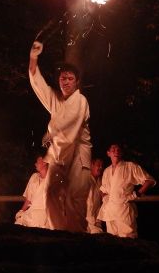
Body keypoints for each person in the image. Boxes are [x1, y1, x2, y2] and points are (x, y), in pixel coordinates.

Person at [29, 40, 92, 232]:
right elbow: (39, 85)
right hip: (59, 156)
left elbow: (69, 124)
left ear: (77, 82)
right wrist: (33, 57)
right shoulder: (57, 101)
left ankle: (78, 237)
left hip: (78, 157)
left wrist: (50, 132)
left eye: (70, 78)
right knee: (50, 194)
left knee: (74, 198)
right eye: (62, 78)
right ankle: (58, 233)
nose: (65, 81)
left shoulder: (80, 100)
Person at [98, 143, 156, 238]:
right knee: (112, 242)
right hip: (110, 213)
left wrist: (136, 194)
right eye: (113, 149)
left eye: (118, 150)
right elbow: (103, 189)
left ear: (121, 153)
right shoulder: (106, 171)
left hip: (124, 211)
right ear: (108, 153)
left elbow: (149, 180)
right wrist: (105, 198)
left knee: (129, 241)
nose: (116, 151)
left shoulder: (130, 166)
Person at [15, 152, 49, 229]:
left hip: (43, 214)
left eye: (37, 162)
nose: (35, 164)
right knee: (18, 223)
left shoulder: (51, 179)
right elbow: (28, 199)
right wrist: (21, 211)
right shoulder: (34, 177)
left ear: (44, 163)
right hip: (31, 212)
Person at [86, 158, 104, 234]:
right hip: (84, 219)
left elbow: (102, 201)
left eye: (102, 166)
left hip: (96, 220)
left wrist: (99, 220)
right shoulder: (85, 179)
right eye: (98, 165)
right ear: (91, 165)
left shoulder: (102, 181)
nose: (100, 168)